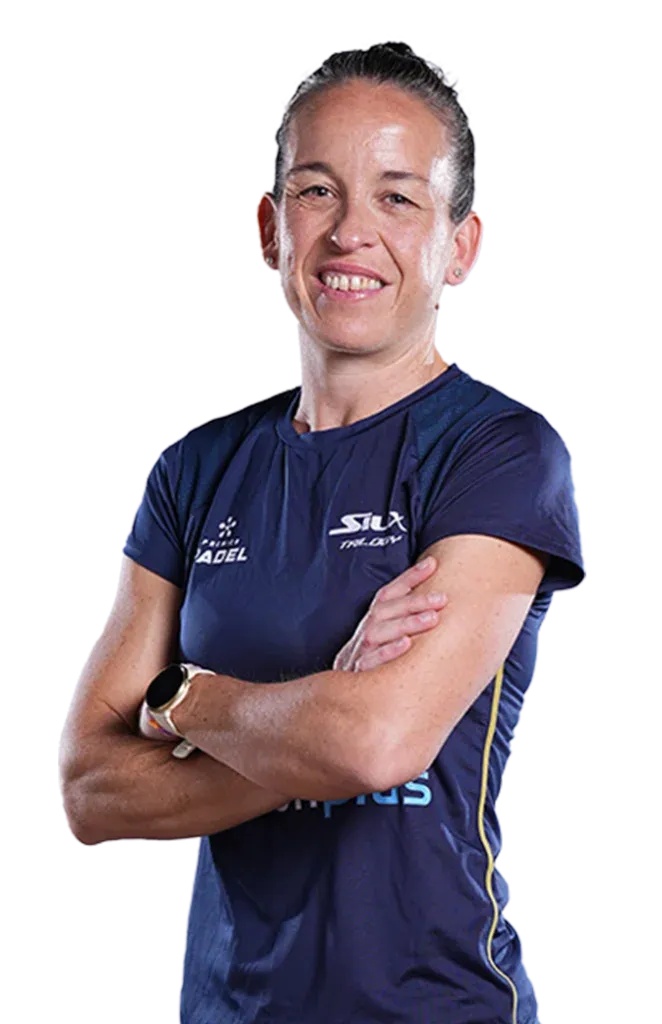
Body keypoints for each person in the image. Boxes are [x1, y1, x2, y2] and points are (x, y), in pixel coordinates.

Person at [59, 42, 584, 1024]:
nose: (350, 232)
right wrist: (311, 723)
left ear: (459, 246)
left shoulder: (498, 454)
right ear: (271, 228)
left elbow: (376, 743)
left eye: (398, 198)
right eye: (315, 191)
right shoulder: (193, 472)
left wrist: (180, 700)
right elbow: (91, 789)